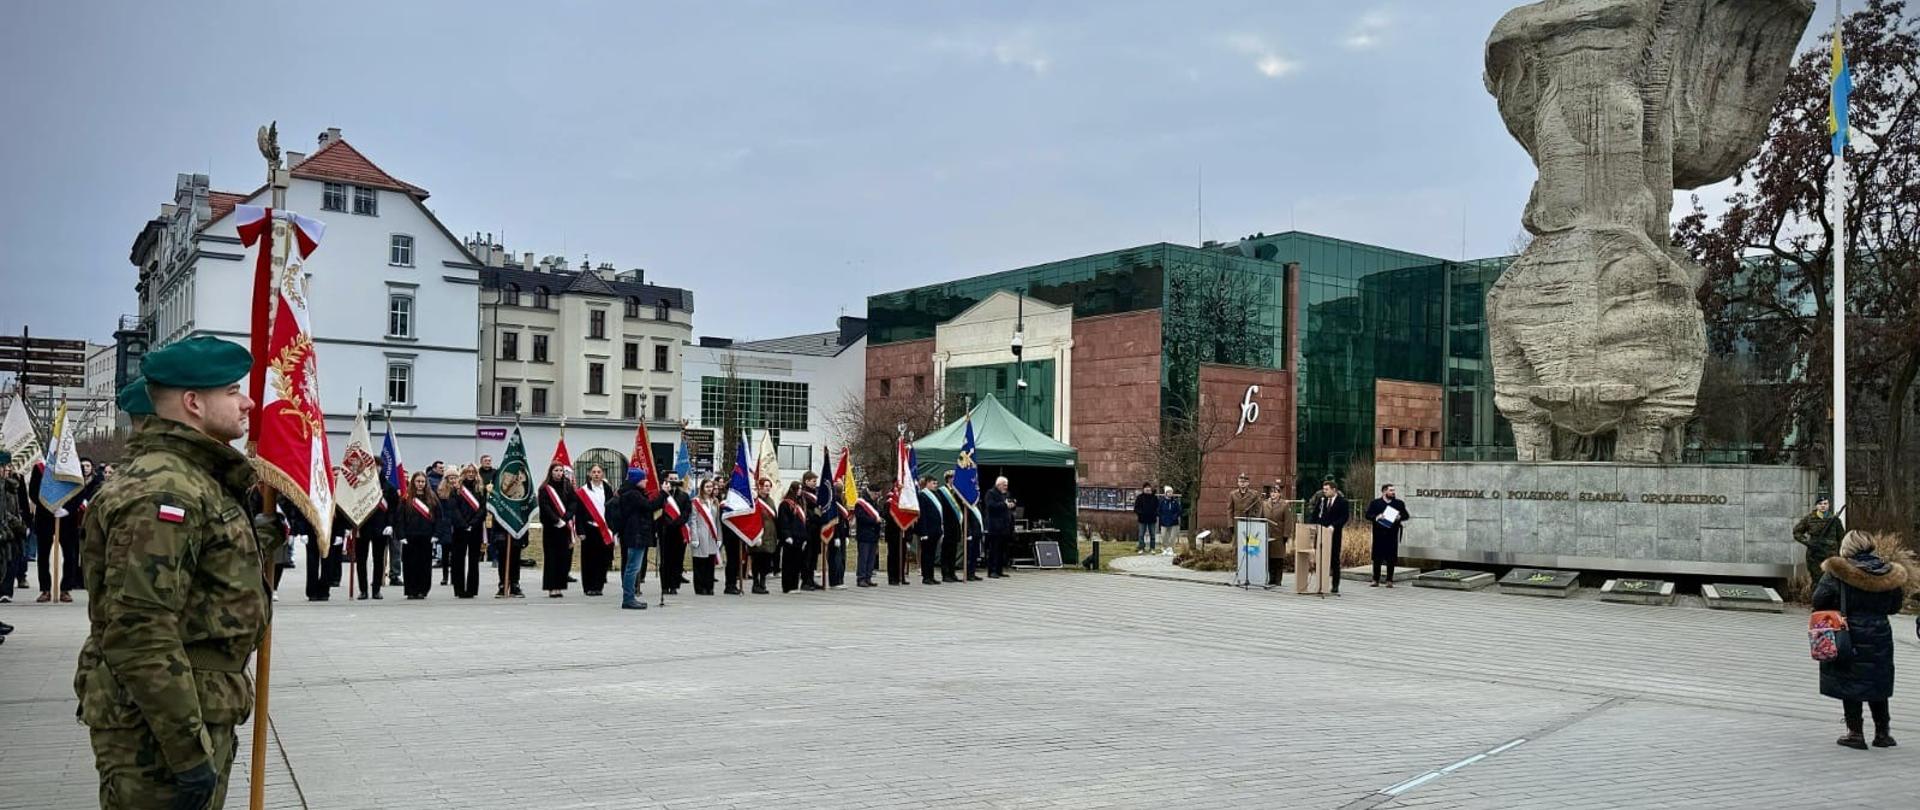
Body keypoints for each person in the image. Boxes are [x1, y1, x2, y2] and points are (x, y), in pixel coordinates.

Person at [73, 334, 283, 808]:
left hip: (190, 709)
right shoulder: (165, 491)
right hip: (160, 728)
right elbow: (141, 631)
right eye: (232, 391)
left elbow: (204, 568)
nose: (248, 402)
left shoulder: (192, 478)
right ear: (193, 403)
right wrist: (187, 752)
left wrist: (261, 537)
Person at [1812, 531, 1913, 750]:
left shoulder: (1837, 572)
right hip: (1880, 633)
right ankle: (1883, 733)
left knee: (1850, 681)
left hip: (1848, 633)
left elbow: (1819, 599)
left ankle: (1855, 733)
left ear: (1847, 547)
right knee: (1877, 680)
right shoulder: (1888, 573)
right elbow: (1894, 606)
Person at [615, 467, 664, 609]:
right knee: (633, 567)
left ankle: (630, 596)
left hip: (636, 534)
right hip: (636, 534)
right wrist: (663, 494)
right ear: (637, 480)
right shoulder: (633, 494)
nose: (646, 481)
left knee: (633, 567)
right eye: (643, 479)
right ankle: (628, 598)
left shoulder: (632, 492)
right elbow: (649, 506)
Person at [573, 464, 616, 597]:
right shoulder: (583, 491)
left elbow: (612, 509)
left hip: (603, 528)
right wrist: (580, 531)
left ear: (602, 474)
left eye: (599, 472)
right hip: (589, 529)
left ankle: (598, 586)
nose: (596, 474)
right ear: (589, 474)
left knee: (602, 558)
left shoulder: (608, 489)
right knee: (589, 559)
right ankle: (589, 587)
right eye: (594, 472)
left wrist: (612, 528)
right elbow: (578, 513)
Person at [397, 471, 440, 599]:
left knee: (424, 565)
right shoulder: (406, 498)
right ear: (413, 482)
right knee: (410, 564)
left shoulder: (432, 498)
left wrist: (436, 534)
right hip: (410, 536)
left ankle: (423, 590)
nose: (420, 484)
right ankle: (411, 590)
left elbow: (438, 517)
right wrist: (401, 535)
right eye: (418, 481)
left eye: (422, 482)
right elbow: (400, 518)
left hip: (426, 536)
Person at [1306, 478, 1351, 595]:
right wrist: (1311, 525)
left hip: (1334, 534)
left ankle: (1335, 585)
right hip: (1321, 533)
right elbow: (1315, 514)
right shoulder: (1322, 501)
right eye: (1323, 489)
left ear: (1334, 490)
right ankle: (1321, 583)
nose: (1324, 491)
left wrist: (1334, 526)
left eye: (1326, 489)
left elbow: (1344, 517)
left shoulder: (1342, 502)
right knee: (1320, 557)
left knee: (1334, 559)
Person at [447, 465, 486, 598]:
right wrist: (464, 524)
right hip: (460, 528)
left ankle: (472, 589)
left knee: (474, 560)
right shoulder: (456, 490)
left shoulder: (480, 490)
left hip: (475, 528)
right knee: (458, 559)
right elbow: (453, 509)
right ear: (463, 473)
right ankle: (459, 589)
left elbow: (482, 509)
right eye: (468, 472)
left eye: (473, 472)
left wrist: (473, 523)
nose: (470, 474)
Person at [538, 463, 576, 598]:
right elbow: (545, 506)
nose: (559, 473)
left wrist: (566, 517)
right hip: (551, 527)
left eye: (561, 470)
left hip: (565, 526)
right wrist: (556, 520)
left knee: (563, 557)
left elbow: (573, 502)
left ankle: (560, 586)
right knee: (551, 557)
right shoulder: (544, 488)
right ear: (551, 472)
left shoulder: (568, 486)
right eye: (556, 470)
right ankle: (552, 587)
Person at [1364, 484, 1410, 587]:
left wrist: (1399, 517)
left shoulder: (1398, 503)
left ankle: (1389, 580)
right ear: (1384, 492)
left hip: (1392, 533)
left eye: (1394, 490)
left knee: (1391, 557)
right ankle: (1375, 579)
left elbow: (1406, 515)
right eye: (1391, 490)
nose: (1393, 492)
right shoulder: (1375, 503)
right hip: (1379, 533)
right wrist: (1377, 517)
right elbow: (1368, 515)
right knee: (1377, 557)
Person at [356, 480, 396, 600]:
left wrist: (390, 524)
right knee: (361, 560)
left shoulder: (388, 486)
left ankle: (376, 590)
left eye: (377, 466)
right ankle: (363, 590)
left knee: (378, 560)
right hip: (362, 527)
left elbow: (392, 508)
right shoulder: (360, 484)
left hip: (381, 528)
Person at [1794, 496, 1846, 583]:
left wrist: (1840, 555)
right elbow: (1797, 532)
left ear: (1828, 505)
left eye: (1825, 503)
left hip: (1830, 555)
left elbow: (1841, 537)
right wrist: (1808, 542)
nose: (1823, 506)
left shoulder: (1835, 520)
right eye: (1820, 504)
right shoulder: (1809, 519)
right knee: (1816, 581)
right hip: (1814, 556)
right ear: (1816, 506)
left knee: (1832, 581)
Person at [687, 478, 724, 595]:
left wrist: (719, 537)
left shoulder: (715, 502)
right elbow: (693, 521)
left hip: (712, 536)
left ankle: (709, 587)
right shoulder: (695, 502)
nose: (709, 489)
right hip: (700, 535)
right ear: (702, 488)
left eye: (711, 487)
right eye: (707, 487)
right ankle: (700, 587)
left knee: (709, 563)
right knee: (699, 562)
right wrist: (694, 537)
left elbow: (717, 521)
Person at [0, 451, 26, 605]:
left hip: (12, 531)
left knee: (12, 562)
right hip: (5, 530)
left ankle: (6, 591)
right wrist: (16, 524)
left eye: (8, 466)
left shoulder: (12, 485)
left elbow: (18, 506)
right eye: (3, 466)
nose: (6, 469)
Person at [661, 473, 693, 595]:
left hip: (679, 531)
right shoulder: (663, 495)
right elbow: (660, 512)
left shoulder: (684, 496)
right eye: (671, 479)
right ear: (666, 480)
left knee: (677, 559)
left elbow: (686, 512)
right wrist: (669, 523)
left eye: (675, 479)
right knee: (666, 560)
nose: (674, 481)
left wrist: (676, 523)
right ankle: (665, 586)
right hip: (666, 531)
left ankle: (674, 585)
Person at [778, 481, 810, 593]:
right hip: (790, 538)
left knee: (797, 563)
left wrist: (805, 538)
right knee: (788, 563)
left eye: (801, 489)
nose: (800, 491)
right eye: (798, 489)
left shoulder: (800, 503)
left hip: (800, 538)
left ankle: (795, 585)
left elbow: (803, 522)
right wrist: (786, 535)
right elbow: (784, 521)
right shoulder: (785, 504)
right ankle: (787, 586)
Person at [748, 477, 778, 594]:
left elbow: (774, 517)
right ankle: (756, 584)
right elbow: (753, 519)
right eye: (765, 486)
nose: (768, 488)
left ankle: (763, 583)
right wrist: (756, 535)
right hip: (758, 536)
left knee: (766, 563)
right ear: (760, 487)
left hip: (770, 536)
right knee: (757, 562)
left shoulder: (770, 501)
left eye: (769, 486)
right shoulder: (755, 501)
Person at [799, 471, 826, 591]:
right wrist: (816, 514)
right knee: (807, 557)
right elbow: (808, 512)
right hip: (808, 529)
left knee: (814, 556)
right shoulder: (804, 495)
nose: (815, 483)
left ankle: (811, 579)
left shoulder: (815, 493)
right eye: (813, 481)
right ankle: (805, 581)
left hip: (816, 530)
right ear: (807, 481)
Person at [984, 476, 1015, 579]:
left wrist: (1011, 504)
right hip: (994, 526)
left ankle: (999, 570)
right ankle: (991, 571)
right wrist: (1004, 504)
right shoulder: (991, 493)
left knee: (1002, 550)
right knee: (994, 549)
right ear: (998, 484)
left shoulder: (1006, 494)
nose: (1006, 487)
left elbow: (1008, 504)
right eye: (1004, 485)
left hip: (1005, 526)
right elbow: (991, 506)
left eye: (1007, 485)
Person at [916, 477, 944, 585]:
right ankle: (926, 577)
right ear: (927, 483)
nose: (935, 485)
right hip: (927, 530)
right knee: (926, 554)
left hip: (936, 529)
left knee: (932, 554)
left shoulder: (936, 495)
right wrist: (923, 532)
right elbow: (922, 515)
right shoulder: (922, 495)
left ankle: (931, 576)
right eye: (933, 483)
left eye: (936, 483)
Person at [1262, 489, 1296, 579]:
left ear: (1279, 494)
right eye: (1271, 492)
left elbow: (1288, 521)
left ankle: (1278, 579)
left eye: (1275, 492)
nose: (1273, 494)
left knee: (1277, 557)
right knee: (1269, 557)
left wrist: (1286, 535)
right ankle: (1271, 577)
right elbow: (1261, 518)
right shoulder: (1264, 504)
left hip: (1279, 535)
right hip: (1267, 534)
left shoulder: (1284, 505)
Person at [854, 483, 883, 587]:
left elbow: (880, 513)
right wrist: (875, 520)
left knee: (871, 558)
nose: (877, 496)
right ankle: (861, 578)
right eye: (876, 494)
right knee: (864, 557)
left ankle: (868, 577)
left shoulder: (874, 503)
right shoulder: (861, 503)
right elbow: (861, 517)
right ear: (870, 492)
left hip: (874, 534)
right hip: (864, 534)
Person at [884, 484, 909, 586]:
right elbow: (886, 515)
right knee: (893, 555)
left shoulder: (904, 501)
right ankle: (892, 577)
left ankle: (901, 576)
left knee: (902, 554)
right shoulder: (889, 501)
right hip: (892, 533)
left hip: (902, 532)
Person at [1133, 482, 1157, 553]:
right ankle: (1141, 548)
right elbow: (1136, 508)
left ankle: (1152, 548)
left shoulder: (1154, 497)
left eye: (1148, 487)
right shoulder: (1139, 497)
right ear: (1143, 489)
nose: (1147, 489)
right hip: (1142, 519)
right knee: (1141, 535)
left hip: (1152, 519)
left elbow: (1157, 508)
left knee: (1152, 535)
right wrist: (1141, 514)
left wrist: (1155, 514)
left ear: (1150, 488)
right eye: (1146, 488)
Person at [1156, 487, 1182, 553]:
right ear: (1166, 493)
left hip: (1173, 522)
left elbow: (1179, 511)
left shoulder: (1175, 502)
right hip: (1164, 522)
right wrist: (1162, 517)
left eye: (1171, 492)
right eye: (1168, 492)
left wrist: (1175, 517)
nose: (1170, 493)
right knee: (1164, 535)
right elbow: (1158, 511)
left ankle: (1171, 548)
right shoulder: (1162, 502)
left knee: (1172, 536)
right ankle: (1165, 548)